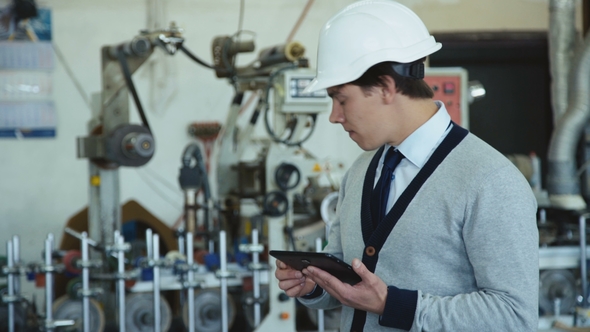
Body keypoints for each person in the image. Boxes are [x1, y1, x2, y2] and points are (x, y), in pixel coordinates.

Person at [274, 0, 539, 331]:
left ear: (385, 87)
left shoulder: (489, 181)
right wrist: (314, 285)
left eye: (341, 99)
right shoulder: (359, 172)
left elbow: (514, 316)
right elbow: (352, 281)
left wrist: (393, 305)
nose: (334, 116)